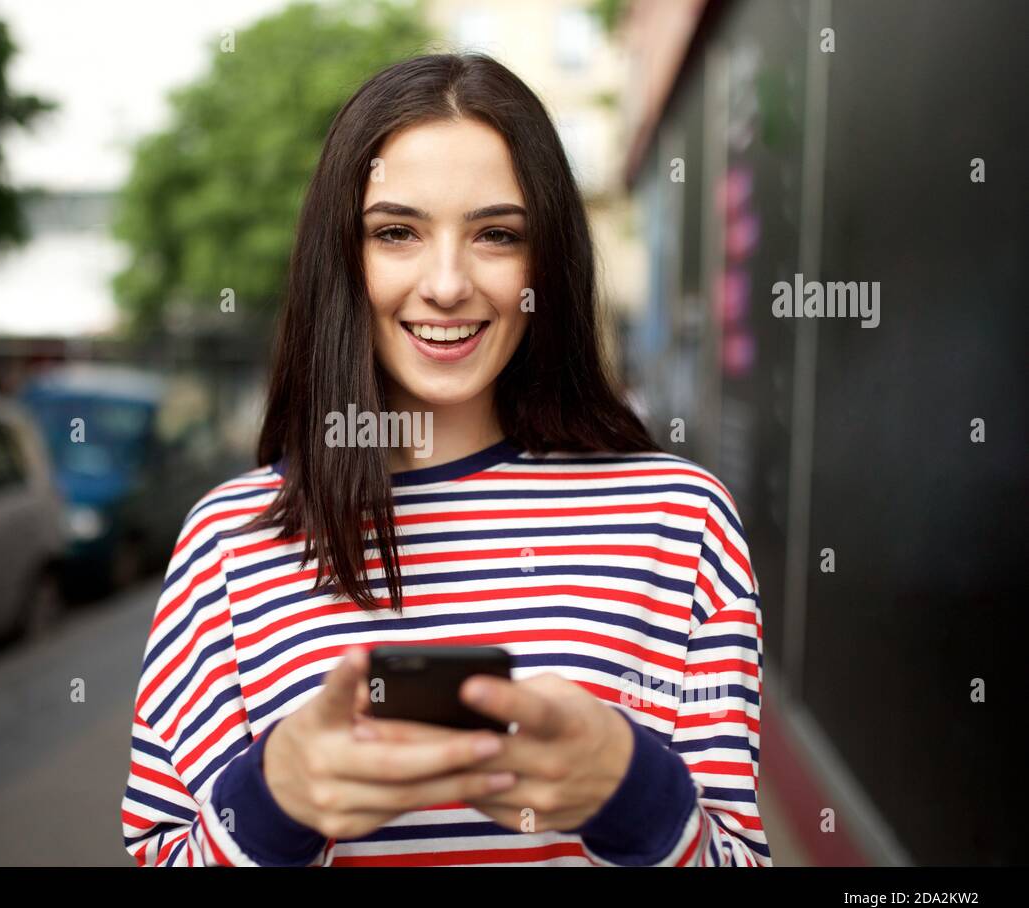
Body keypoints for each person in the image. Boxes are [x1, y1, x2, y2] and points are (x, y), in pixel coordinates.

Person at [121, 53, 768, 867]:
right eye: (397, 232)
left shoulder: (680, 520)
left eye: (497, 234)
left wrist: (635, 792)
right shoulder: (229, 538)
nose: (448, 283)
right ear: (342, 259)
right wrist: (275, 795)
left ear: (549, 261)